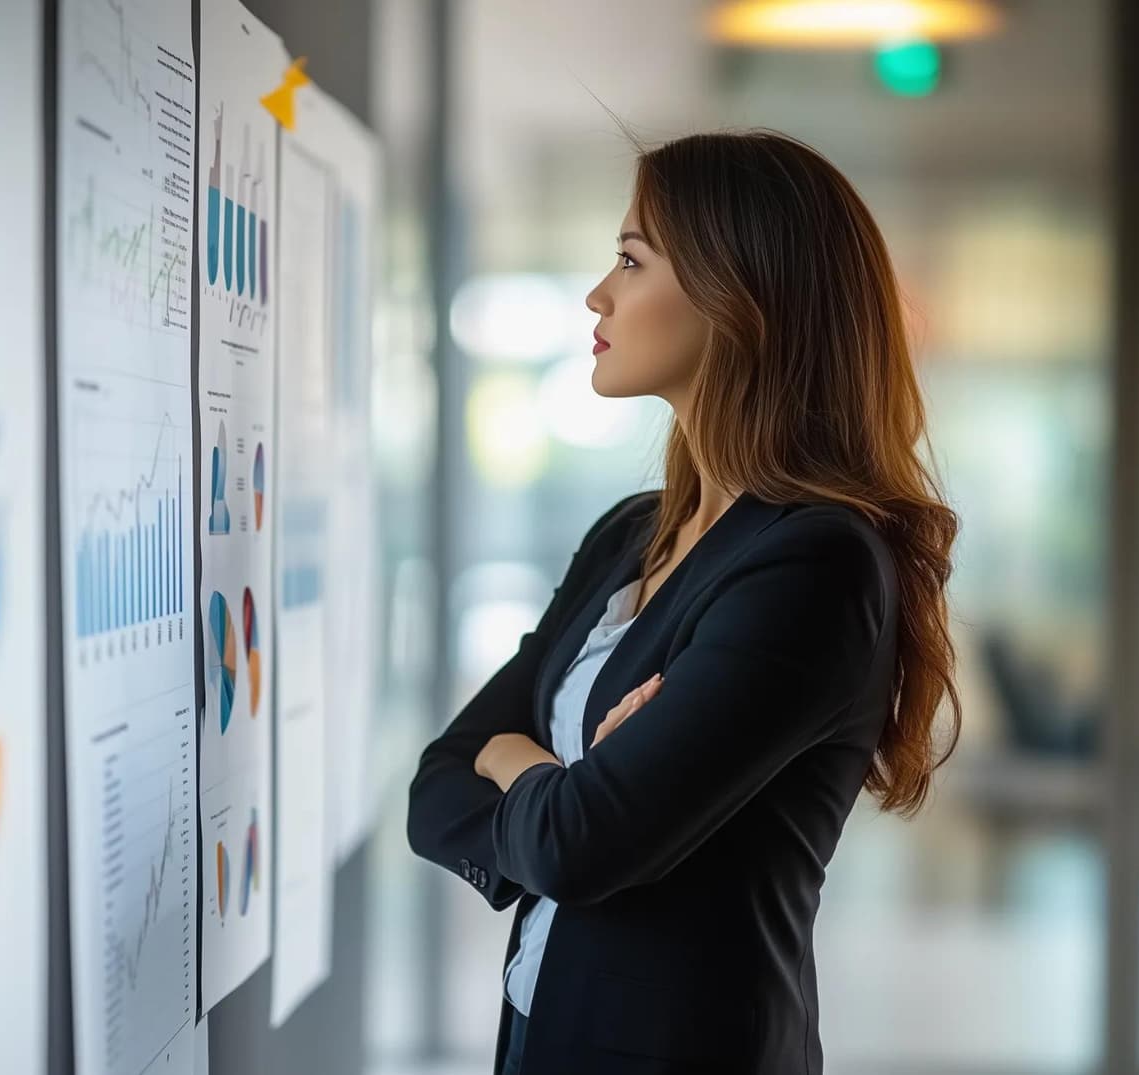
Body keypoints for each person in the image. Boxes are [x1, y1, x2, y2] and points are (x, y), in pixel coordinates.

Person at [405, 129, 962, 1075]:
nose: (598, 293)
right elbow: (438, 783)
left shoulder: (815, 565)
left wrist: (518, 762)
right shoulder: (633, 533)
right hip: (545, 1035)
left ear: (733, 297)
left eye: (630, 259)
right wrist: (548, 783)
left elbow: (580, 847)